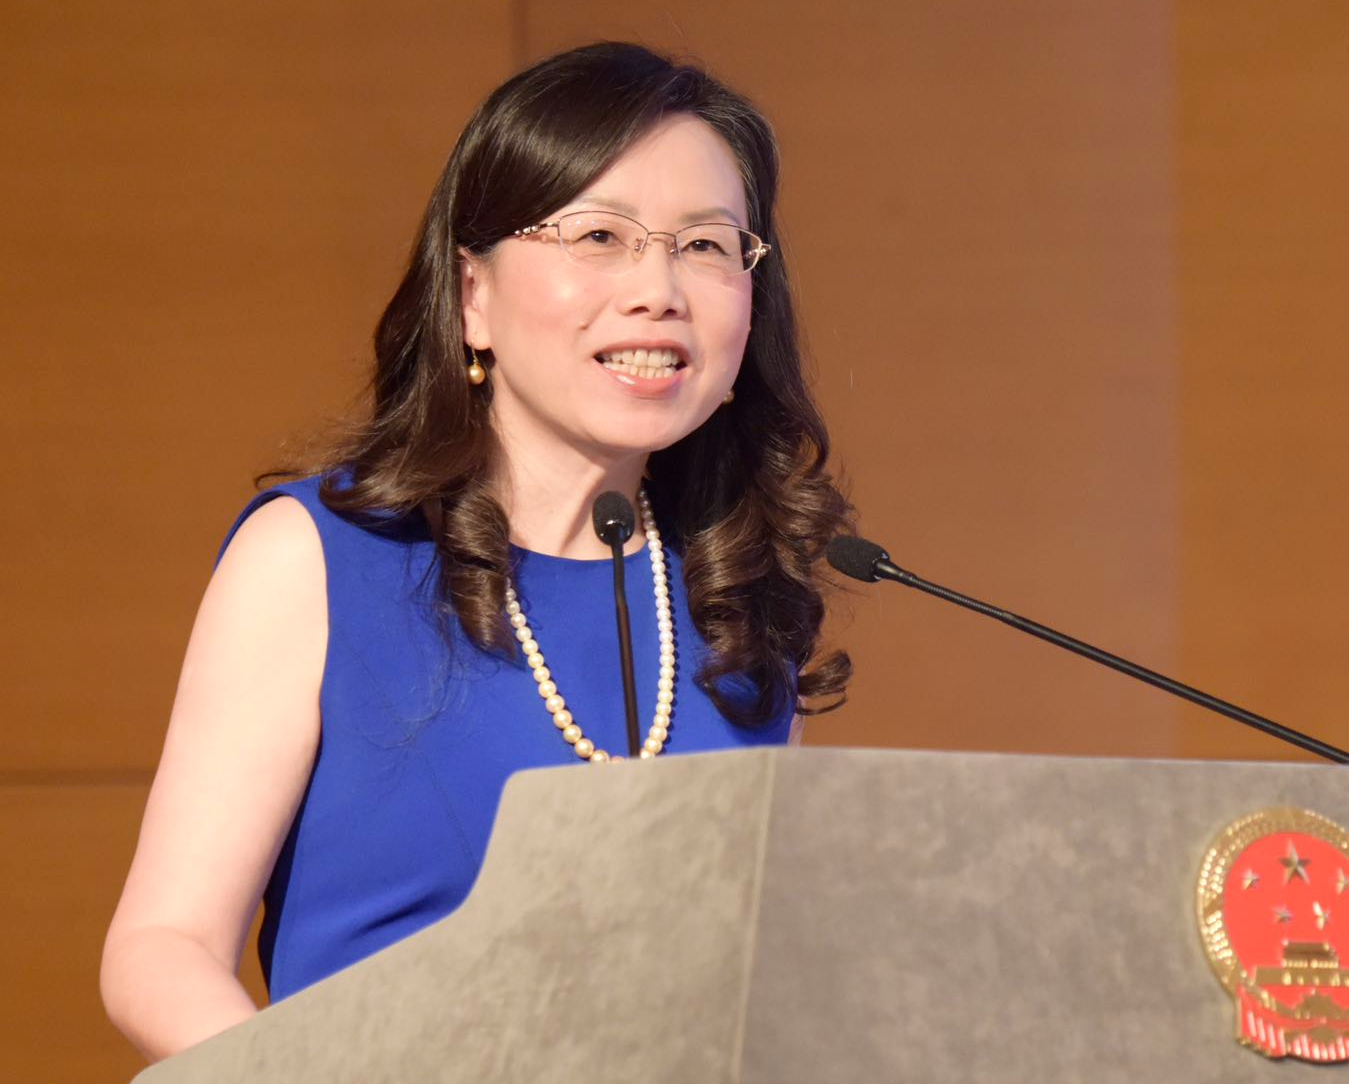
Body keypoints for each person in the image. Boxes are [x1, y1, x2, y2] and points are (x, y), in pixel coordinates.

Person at [99, 42, 852, 1061]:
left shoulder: (739, 593)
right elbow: (161, 946)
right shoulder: (322, 559)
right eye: (600, 235)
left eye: (708, 246)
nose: (659, 290)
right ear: (472, 296)